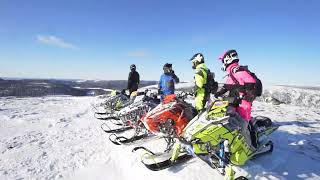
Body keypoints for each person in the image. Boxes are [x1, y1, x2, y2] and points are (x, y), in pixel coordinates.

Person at [215, 49, 258, 150]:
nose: (222, 63)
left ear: (228, 59)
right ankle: (233, 144)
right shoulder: (232, 71)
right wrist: (218, 93)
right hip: (235, 102)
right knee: (232, 122)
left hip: (243, 104)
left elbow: (251, 82)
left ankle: (250, 147)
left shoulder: (237, 70)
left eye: (223, 61)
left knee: (243, 126)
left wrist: (247, 96)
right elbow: (227, 86)